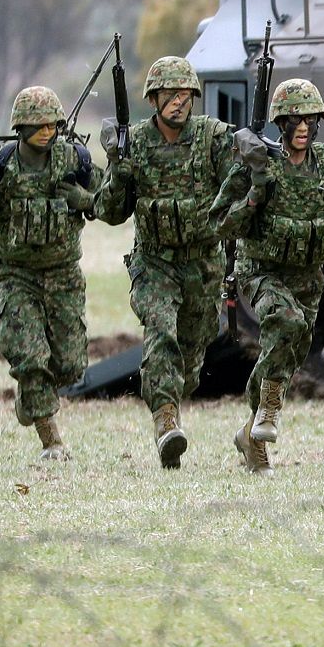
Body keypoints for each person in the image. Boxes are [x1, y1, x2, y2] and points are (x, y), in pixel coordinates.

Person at [211, 78, 324, 471]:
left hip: (309, 277)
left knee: (290, 352)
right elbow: (219, 222)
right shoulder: (259, 163)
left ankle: (249, 436)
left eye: (309, 119)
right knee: (285, 324)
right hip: (261, 271)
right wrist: (255, 195)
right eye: (293, 120)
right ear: (279, 123)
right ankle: (268, 414)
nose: (302, 127)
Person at [93, 55, 236, 468]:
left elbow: (240, 182)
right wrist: (118, 168)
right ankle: (165, 422)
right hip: (155, 263)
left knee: (192, 356)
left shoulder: (212, 137)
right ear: (153, 99)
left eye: (186, 94)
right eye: (170, 95)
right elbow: (109, 210)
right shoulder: (134, 143)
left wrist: (254, 158)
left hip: (204, 265)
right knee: (161, 332)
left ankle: (173, 398)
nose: (179, 102)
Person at [0, 85, 97, 461]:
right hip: (17, 276)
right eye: (37, 125)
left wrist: (86, 200)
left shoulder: (75, 160)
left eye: (52, 124)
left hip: (64, 275)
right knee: (31, 359)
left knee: (69, 364)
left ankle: (29, 398)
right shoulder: (1, 167)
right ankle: (52, 441)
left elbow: (110, 203)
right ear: (20, 129)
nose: (46, 132)